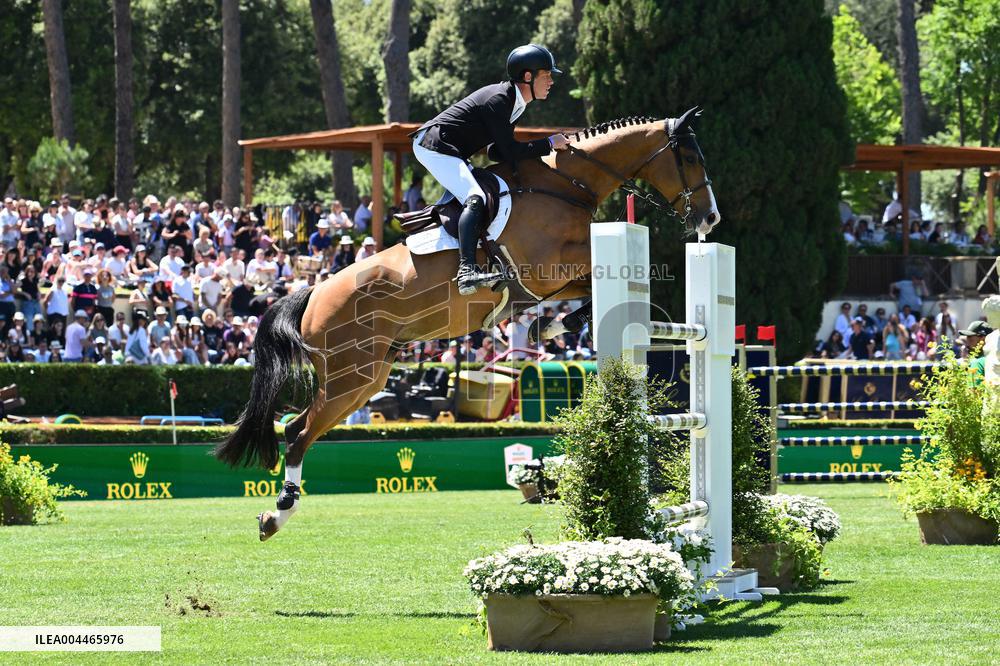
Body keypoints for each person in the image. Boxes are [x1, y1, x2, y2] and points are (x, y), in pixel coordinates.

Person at [411, 44, 569, 294]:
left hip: (450, 149)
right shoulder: (499, 99)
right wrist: (549, 143)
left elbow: (497, 150)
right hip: (434, 145)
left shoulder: (515, 102)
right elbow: (509, 151)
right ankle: (467, 272)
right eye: (546, 75)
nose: (551, 81)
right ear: (528, 77)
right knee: (475, 198)